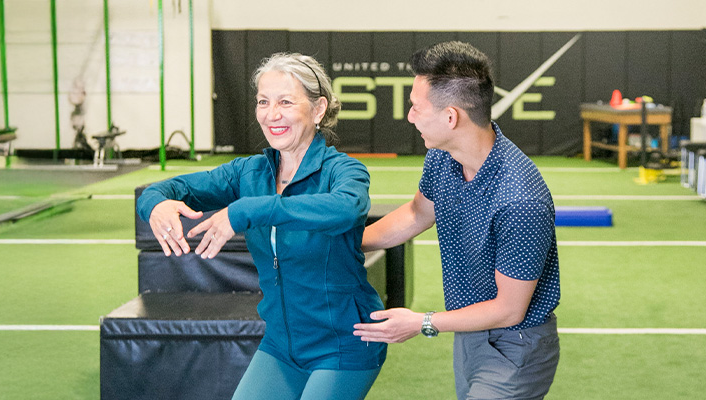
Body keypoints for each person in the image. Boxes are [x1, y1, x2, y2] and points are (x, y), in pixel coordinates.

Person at [136, 53, 386, 400]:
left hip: (345, 342)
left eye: (285, 102)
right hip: (282, 345)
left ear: (318, 110)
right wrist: (155, 205)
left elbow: (347, 209)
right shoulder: (247, 172)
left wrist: (246, 210)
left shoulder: (343, 170)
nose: (272, 114)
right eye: (263, 102)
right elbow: (166, 189)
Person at [354, 41, 561, 400]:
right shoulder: (443, 156)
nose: (410, 116)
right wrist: (348, 244)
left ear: (451, 117)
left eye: (416, 108)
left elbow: (509, 310)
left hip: (516, 344)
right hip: (470, 332)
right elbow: (417, 214)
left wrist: (422, 322)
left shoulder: (521, 200)